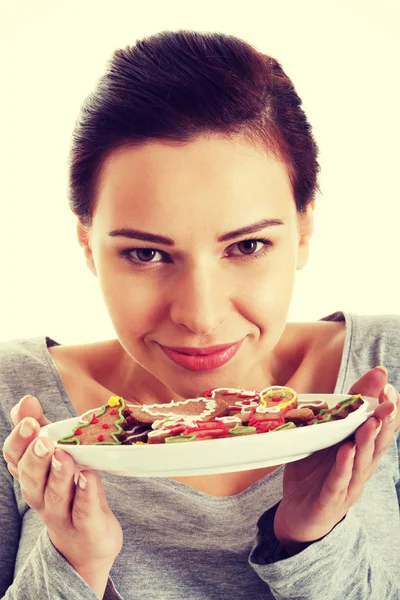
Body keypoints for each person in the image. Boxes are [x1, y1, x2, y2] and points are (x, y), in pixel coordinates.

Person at [1, 29, 399, 600]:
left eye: (247, 246)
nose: (201, 316)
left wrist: (312, 539)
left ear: (304, 226)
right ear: (87, 244)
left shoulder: (387, 365)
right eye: (146, 253)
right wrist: (75, 563)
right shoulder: (15, 401)